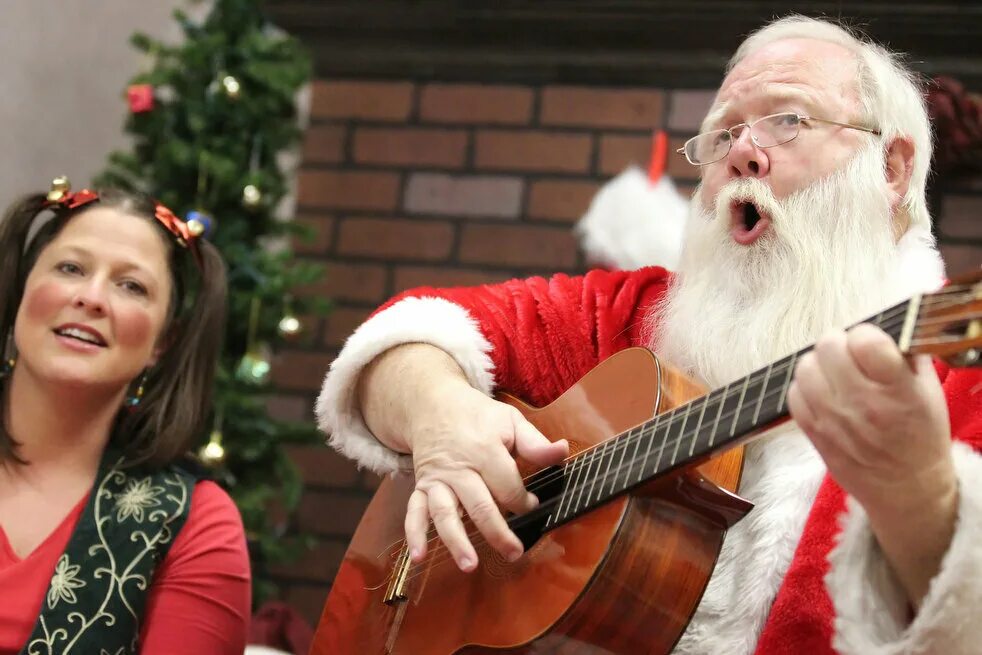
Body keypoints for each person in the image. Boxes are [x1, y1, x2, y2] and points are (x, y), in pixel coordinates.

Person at [315, 15, 982, 655]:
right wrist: (437, 415)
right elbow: (411, 330)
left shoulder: (961, 379)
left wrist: (921, 492)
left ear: (890, 167)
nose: (745, 151)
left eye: (789, 121)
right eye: (722, 135)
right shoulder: (637, 313)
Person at [0, 180, 251, 654]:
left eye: (131, 285)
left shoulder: (194, 523)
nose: (91, 298)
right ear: (20, 293)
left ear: (163, 342)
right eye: (71, 268)